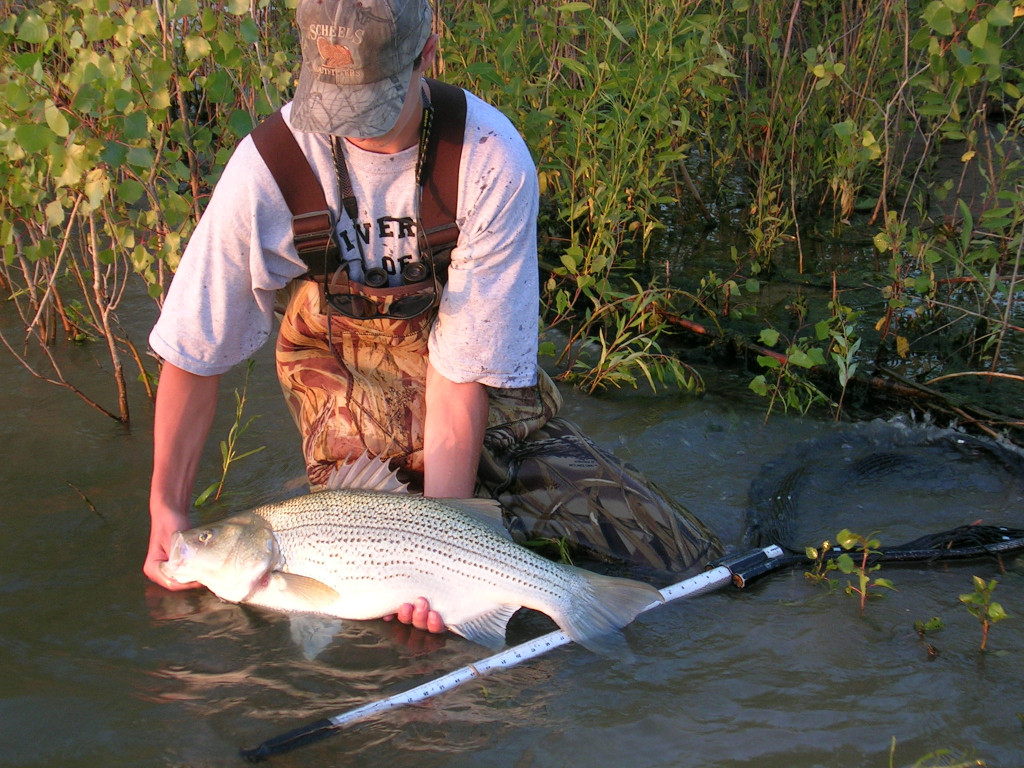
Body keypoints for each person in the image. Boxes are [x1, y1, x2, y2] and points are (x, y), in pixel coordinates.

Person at [144, 0, 720, 635]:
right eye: (334, 101)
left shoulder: (489, 160)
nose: (351, 128)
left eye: (370, 103)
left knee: (681, 560)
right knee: (374, 623)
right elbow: (195, 348)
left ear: (426, 53)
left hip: (476, 405)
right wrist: (167, 506)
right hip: (352, 423)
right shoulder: (269, 168)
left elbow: (463, 374)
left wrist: (446, 552)